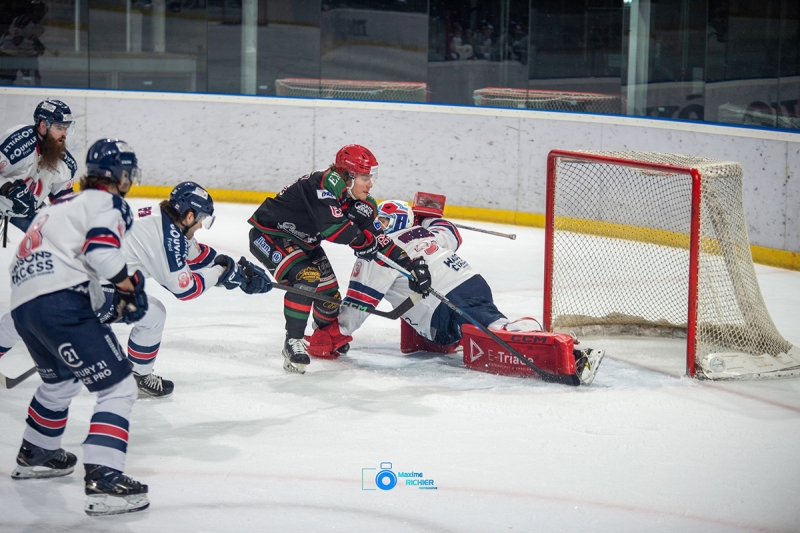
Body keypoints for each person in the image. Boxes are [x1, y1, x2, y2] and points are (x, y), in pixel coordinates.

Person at [307, 200, 603, 384]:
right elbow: (450, 230)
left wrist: (330, 334)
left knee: (494, 328)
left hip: (443, 304)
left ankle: (564, 351)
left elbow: (356, 309)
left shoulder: (376, 253)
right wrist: (426, 215)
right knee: (487, 318)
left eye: (382, 221)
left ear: (393, 223)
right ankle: (516, 328)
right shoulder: (426, 232)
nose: (376, 225)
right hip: (472, 281)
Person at [9, 138, 150, 516]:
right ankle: (104, 478)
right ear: (119, 174)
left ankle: (37, 452)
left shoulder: (58, 205)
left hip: (24, 306)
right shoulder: (108, 202)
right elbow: (100, 251)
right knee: (119, 386)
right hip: (59, 301)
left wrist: (110, 299)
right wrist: (128, 287)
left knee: (60, 382)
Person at [247, 144, 431, 374]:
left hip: (305, 243)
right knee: (307, 277)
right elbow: (334, 229)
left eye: (371, 176)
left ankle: (321, 334)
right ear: (348, 175)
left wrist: (410, 266)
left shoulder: (363, 203)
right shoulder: (323, 183)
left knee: (330, 300)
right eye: (365, 176)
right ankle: (292, 342)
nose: (370, 183)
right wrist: (363, 241)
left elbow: (380, 240)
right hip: (270, 234)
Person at [111, 181, 272, 397]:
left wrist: (235, 269)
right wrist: (219, 272)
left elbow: (195, 256)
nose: (200, 227)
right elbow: (185, 289)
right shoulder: (167, 237)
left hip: (88, 277)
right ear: (189, 216)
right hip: (89, 290)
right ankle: (137, 376)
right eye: (201, 220)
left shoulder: (164, 219)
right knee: (153, 314)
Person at [0, 99, 77, 233]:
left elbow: (62, 201)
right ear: (43, 125)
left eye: (66, 128)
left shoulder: (66, 163)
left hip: (27, 210)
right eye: (59, 127)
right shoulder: (17, 144)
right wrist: (8, 188)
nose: (64, 134)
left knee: (56, 239)